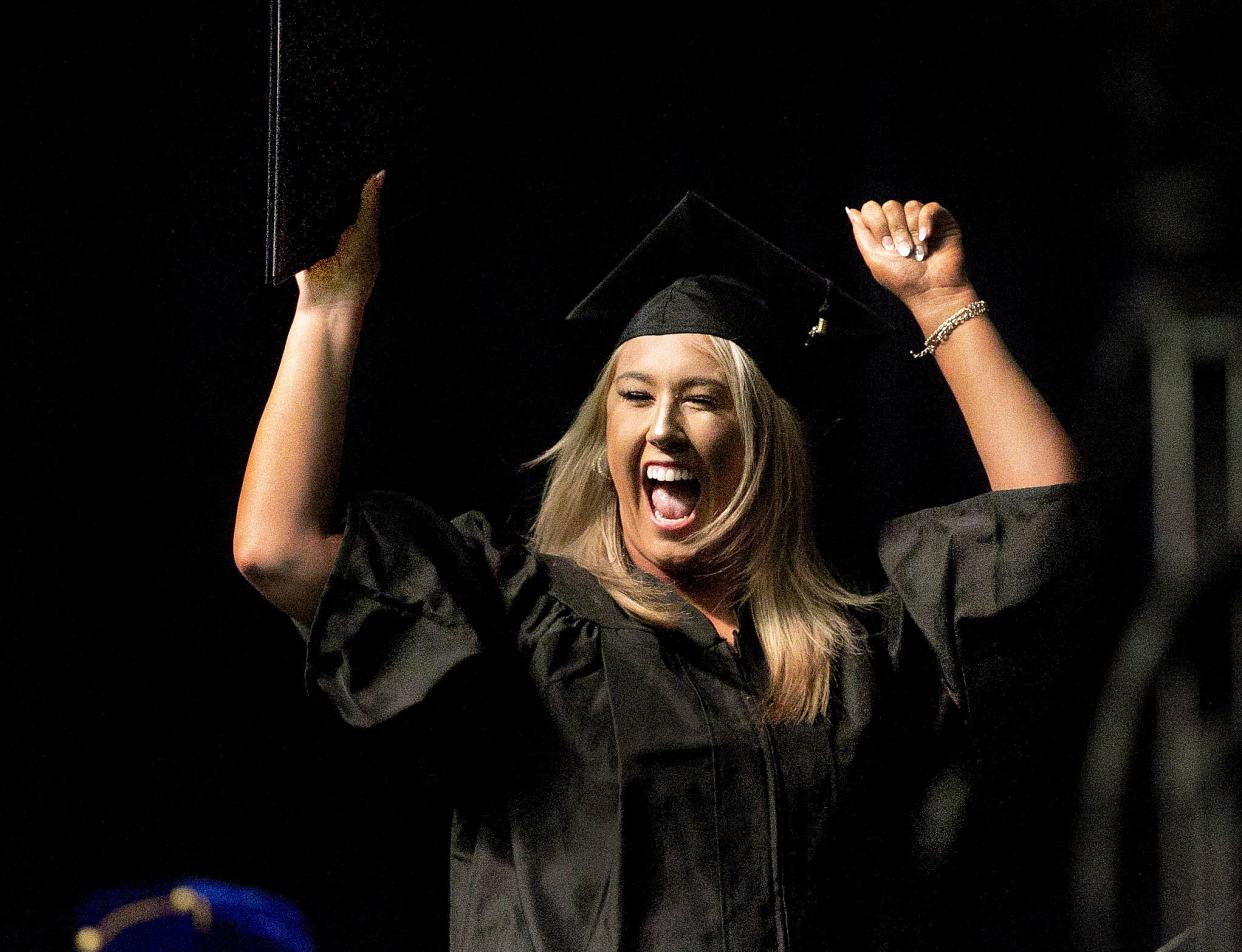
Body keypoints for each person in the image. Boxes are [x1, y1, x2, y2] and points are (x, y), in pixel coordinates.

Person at [234, 174, 1090, 950]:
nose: (662, 428)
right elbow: (280, 549)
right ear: (602, 433)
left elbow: (1046, 526)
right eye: (635, 396)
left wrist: (944, 299)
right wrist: (332, 308)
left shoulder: (857, 643)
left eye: (703, 399)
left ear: (763, 442)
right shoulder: (518, 619)